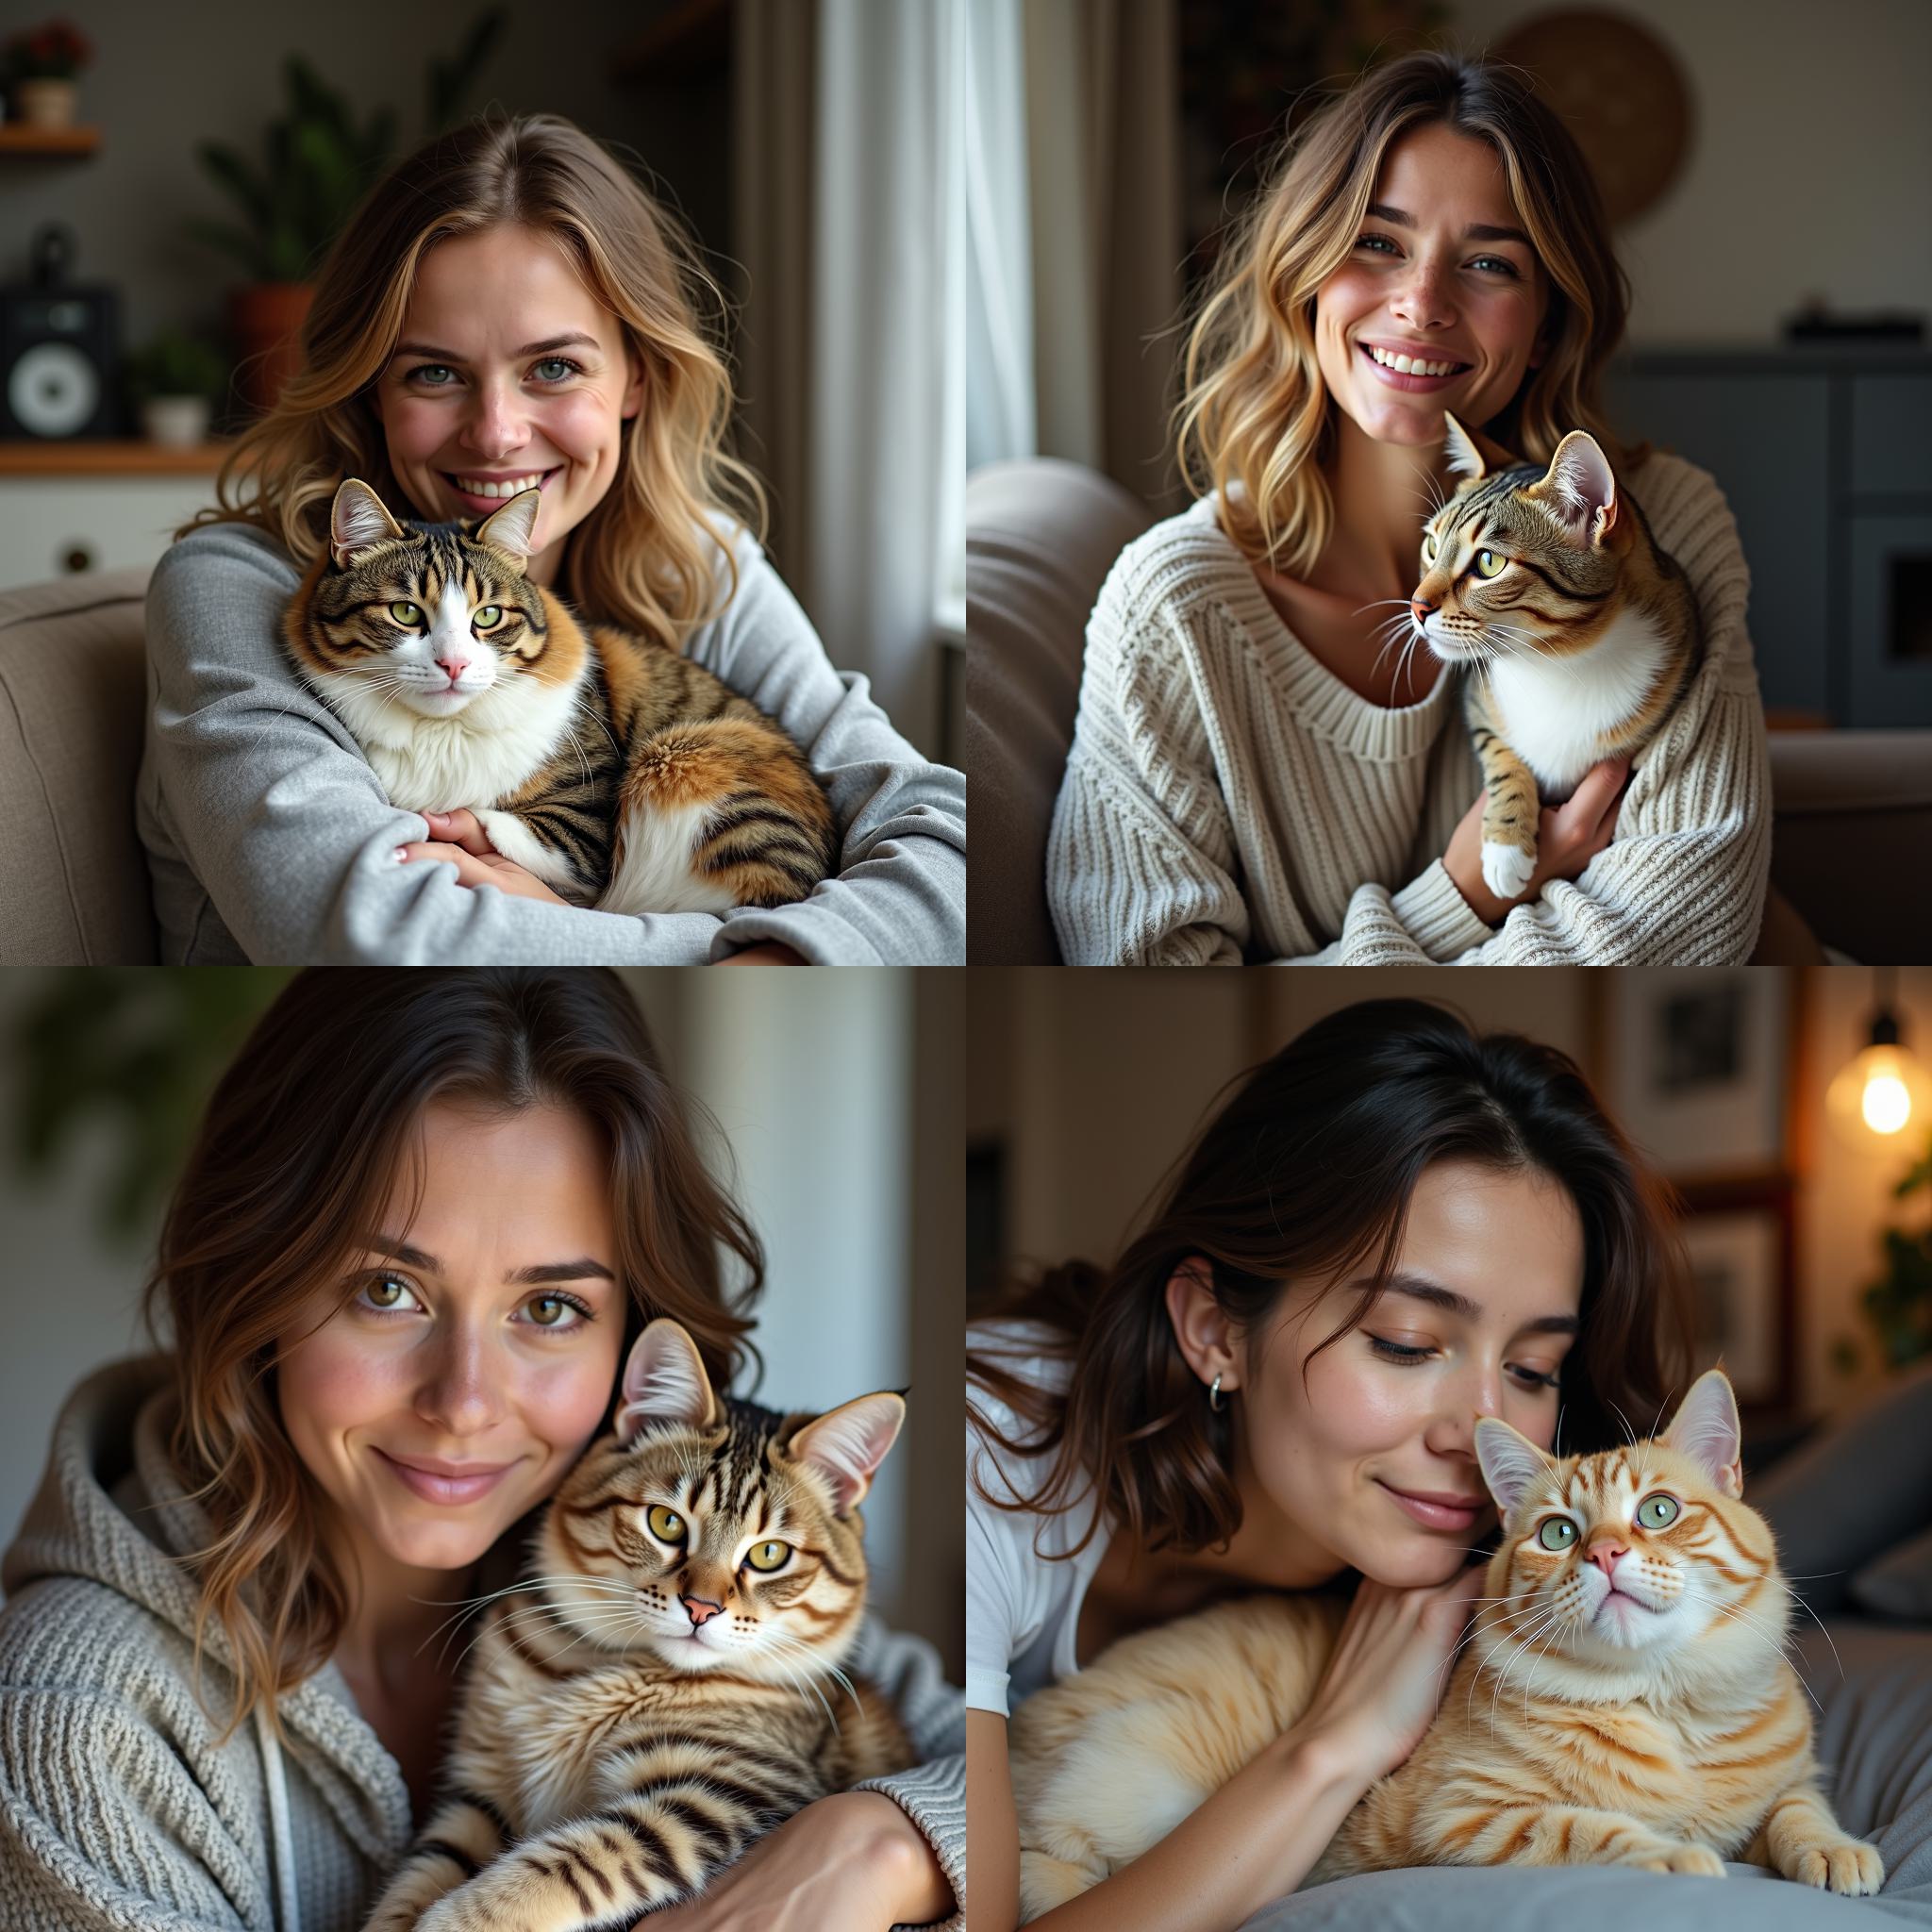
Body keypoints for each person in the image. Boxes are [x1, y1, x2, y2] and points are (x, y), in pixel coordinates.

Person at [0, 969, 962, 1931]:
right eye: (386, 1289)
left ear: (632, 1339)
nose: (462, 1403)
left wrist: (889, 1844)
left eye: (549, 1307)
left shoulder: (662, 1579)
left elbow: (999, 1763)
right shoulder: (80, 1716)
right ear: (259, 1283)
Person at [140, 111, 965, 966]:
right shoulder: (232, 590)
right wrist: (755, 954)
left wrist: (619, 932)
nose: (496, 433)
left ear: (637, 376)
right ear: (368, 390)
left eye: (555, 367)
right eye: (433, 371)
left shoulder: (697, 566)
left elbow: (945, 854)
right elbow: (377, 937)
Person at [965, 998, 1695, 1931]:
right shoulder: (988, 1455)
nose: (1479, 1429)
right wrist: (1330, 1746)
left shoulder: (1518, 1585)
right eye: (1403, 1340)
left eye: (1529, 1369)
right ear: (1212, 1329)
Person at [1046, 50, 1782, 965]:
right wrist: (1458, 896)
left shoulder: (1662, 520)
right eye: (1377, 242)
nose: (1421, 303)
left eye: (1486, 263)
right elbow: (1143, 995)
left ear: (1546, 319)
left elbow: (1686, 929)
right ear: (1306, 268)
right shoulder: (1171, 611)